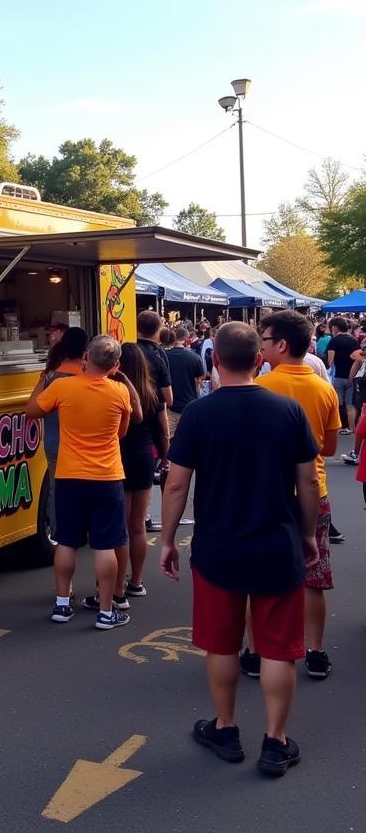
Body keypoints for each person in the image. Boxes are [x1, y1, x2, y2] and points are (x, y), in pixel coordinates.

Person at [160, 322, 320, 777]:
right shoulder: (287, 411)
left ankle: (226, 729)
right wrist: (307, 534)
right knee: (277, 649)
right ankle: (276, 740)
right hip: (276, 543)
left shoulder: (199, 415)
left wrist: (168, 540)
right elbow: (308, 479)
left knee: (222, 644)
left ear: (214, 360)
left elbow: (176, 485)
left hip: (218, 546)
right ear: (258, 360)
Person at [249, 310, 340, 679]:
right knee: (313, 576)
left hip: (265, 493)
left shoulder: (260, 388)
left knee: (257, 577)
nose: (262, 345)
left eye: (266, 339)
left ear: (282, 345)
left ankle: (255, 652)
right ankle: (316, 651)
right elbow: (330, 448)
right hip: (313, 492)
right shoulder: (324, 389)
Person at [26, 334, 135, 631]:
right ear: (116, 365)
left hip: (69, 474)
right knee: (105, 545)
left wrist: (43, 380)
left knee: (67, 542)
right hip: (107, 475)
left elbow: (32, 410)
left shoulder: (61, 386)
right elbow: (122, 433)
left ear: (86, 357)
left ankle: (62, 604)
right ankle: (105, 611)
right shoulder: (120, 392)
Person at [96, 341, 165, 603]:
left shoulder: (114, 390)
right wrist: (165, 455)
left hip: (120, 459)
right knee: (138, 526)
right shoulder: (150, 391)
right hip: (145, 457)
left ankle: (117, 586)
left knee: (120, 527)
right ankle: (136, 581)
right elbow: (162, 430)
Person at [35, 327, 89, 542]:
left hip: (55, 442)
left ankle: (61, 533)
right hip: (83, 443)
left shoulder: (53, 378)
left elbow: (32, 408)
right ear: (85, 352)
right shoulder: (89, 377)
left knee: (58, 489)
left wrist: (45, 378)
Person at [135, 311, 171, 532]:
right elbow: (168, 398)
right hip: (150, 425)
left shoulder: (127, 350)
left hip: (123, 425)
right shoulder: (157, 356)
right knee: (143, 483)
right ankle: (143, 518)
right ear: (158, 329)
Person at [162, 326, 207, 438]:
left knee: (169, 440)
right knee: (189, 441)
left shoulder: (164, 356)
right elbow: (200, 379)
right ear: (187, 338)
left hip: (169, 407)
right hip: (189, 406)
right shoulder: (195, 358)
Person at [327, 317, 358, 434]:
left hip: (338, 376)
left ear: (335, 327)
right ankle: (352, 428)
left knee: (338, 404)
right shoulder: (353, 340)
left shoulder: (334, 341)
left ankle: (338, 426)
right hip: (351, 376)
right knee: (350, 405)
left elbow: (330, 361)